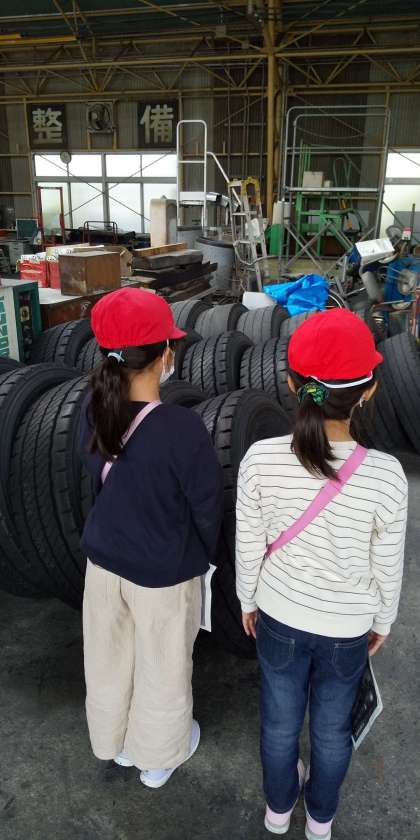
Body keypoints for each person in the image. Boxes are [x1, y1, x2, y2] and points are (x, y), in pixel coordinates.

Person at [235, 309, 407, 840]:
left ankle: (277, 812)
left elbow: (248, 544)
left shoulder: (260, 459)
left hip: (279, 617)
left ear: (291, 384)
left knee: (279, 723)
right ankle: (320, 821)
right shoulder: (387, 476)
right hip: (347, 629)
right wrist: (383, 621)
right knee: (332, 732)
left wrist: (247, 601)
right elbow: (387, 565)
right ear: (369, 391)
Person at [79, 287, 223, 789]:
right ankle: (157, 758)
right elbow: (206, 507)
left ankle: (115, 743)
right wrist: (203, 555)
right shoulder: (183, 428)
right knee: (162, 664)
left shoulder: (93, 408)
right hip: (163, 572)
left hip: (103, 562)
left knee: (108, 657)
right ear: (165, 354)